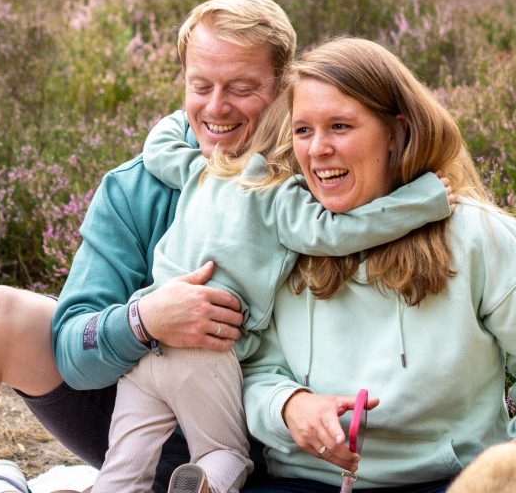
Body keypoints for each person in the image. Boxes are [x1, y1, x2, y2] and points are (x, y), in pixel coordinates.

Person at [0, 0, 295, 492]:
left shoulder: (321, 175)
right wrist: (144, 320)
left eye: (242, 88)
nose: (216, 107)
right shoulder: (135, 187)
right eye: (200, 85)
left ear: (285, 84)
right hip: (146, 433)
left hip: (283, 448)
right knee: (4, 314)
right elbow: (73, 349)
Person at [236, 37, 516, 492]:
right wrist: (288, 406)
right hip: (304, 481)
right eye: (303, 130)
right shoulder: (277, 239)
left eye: (340, 126)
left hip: (451, 480)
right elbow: (254, 367)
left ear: (396, 132)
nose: (317, 149)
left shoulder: (478, 235)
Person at [92, 96, 455, 493]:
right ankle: (204, 485)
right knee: (223, 453)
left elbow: (158, 150)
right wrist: (423, 200)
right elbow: (337, 232)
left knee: (124, 462)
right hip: (205, 347)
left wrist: (187, 116)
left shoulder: (203, 170)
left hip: (150, 335)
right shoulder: (281, 197)